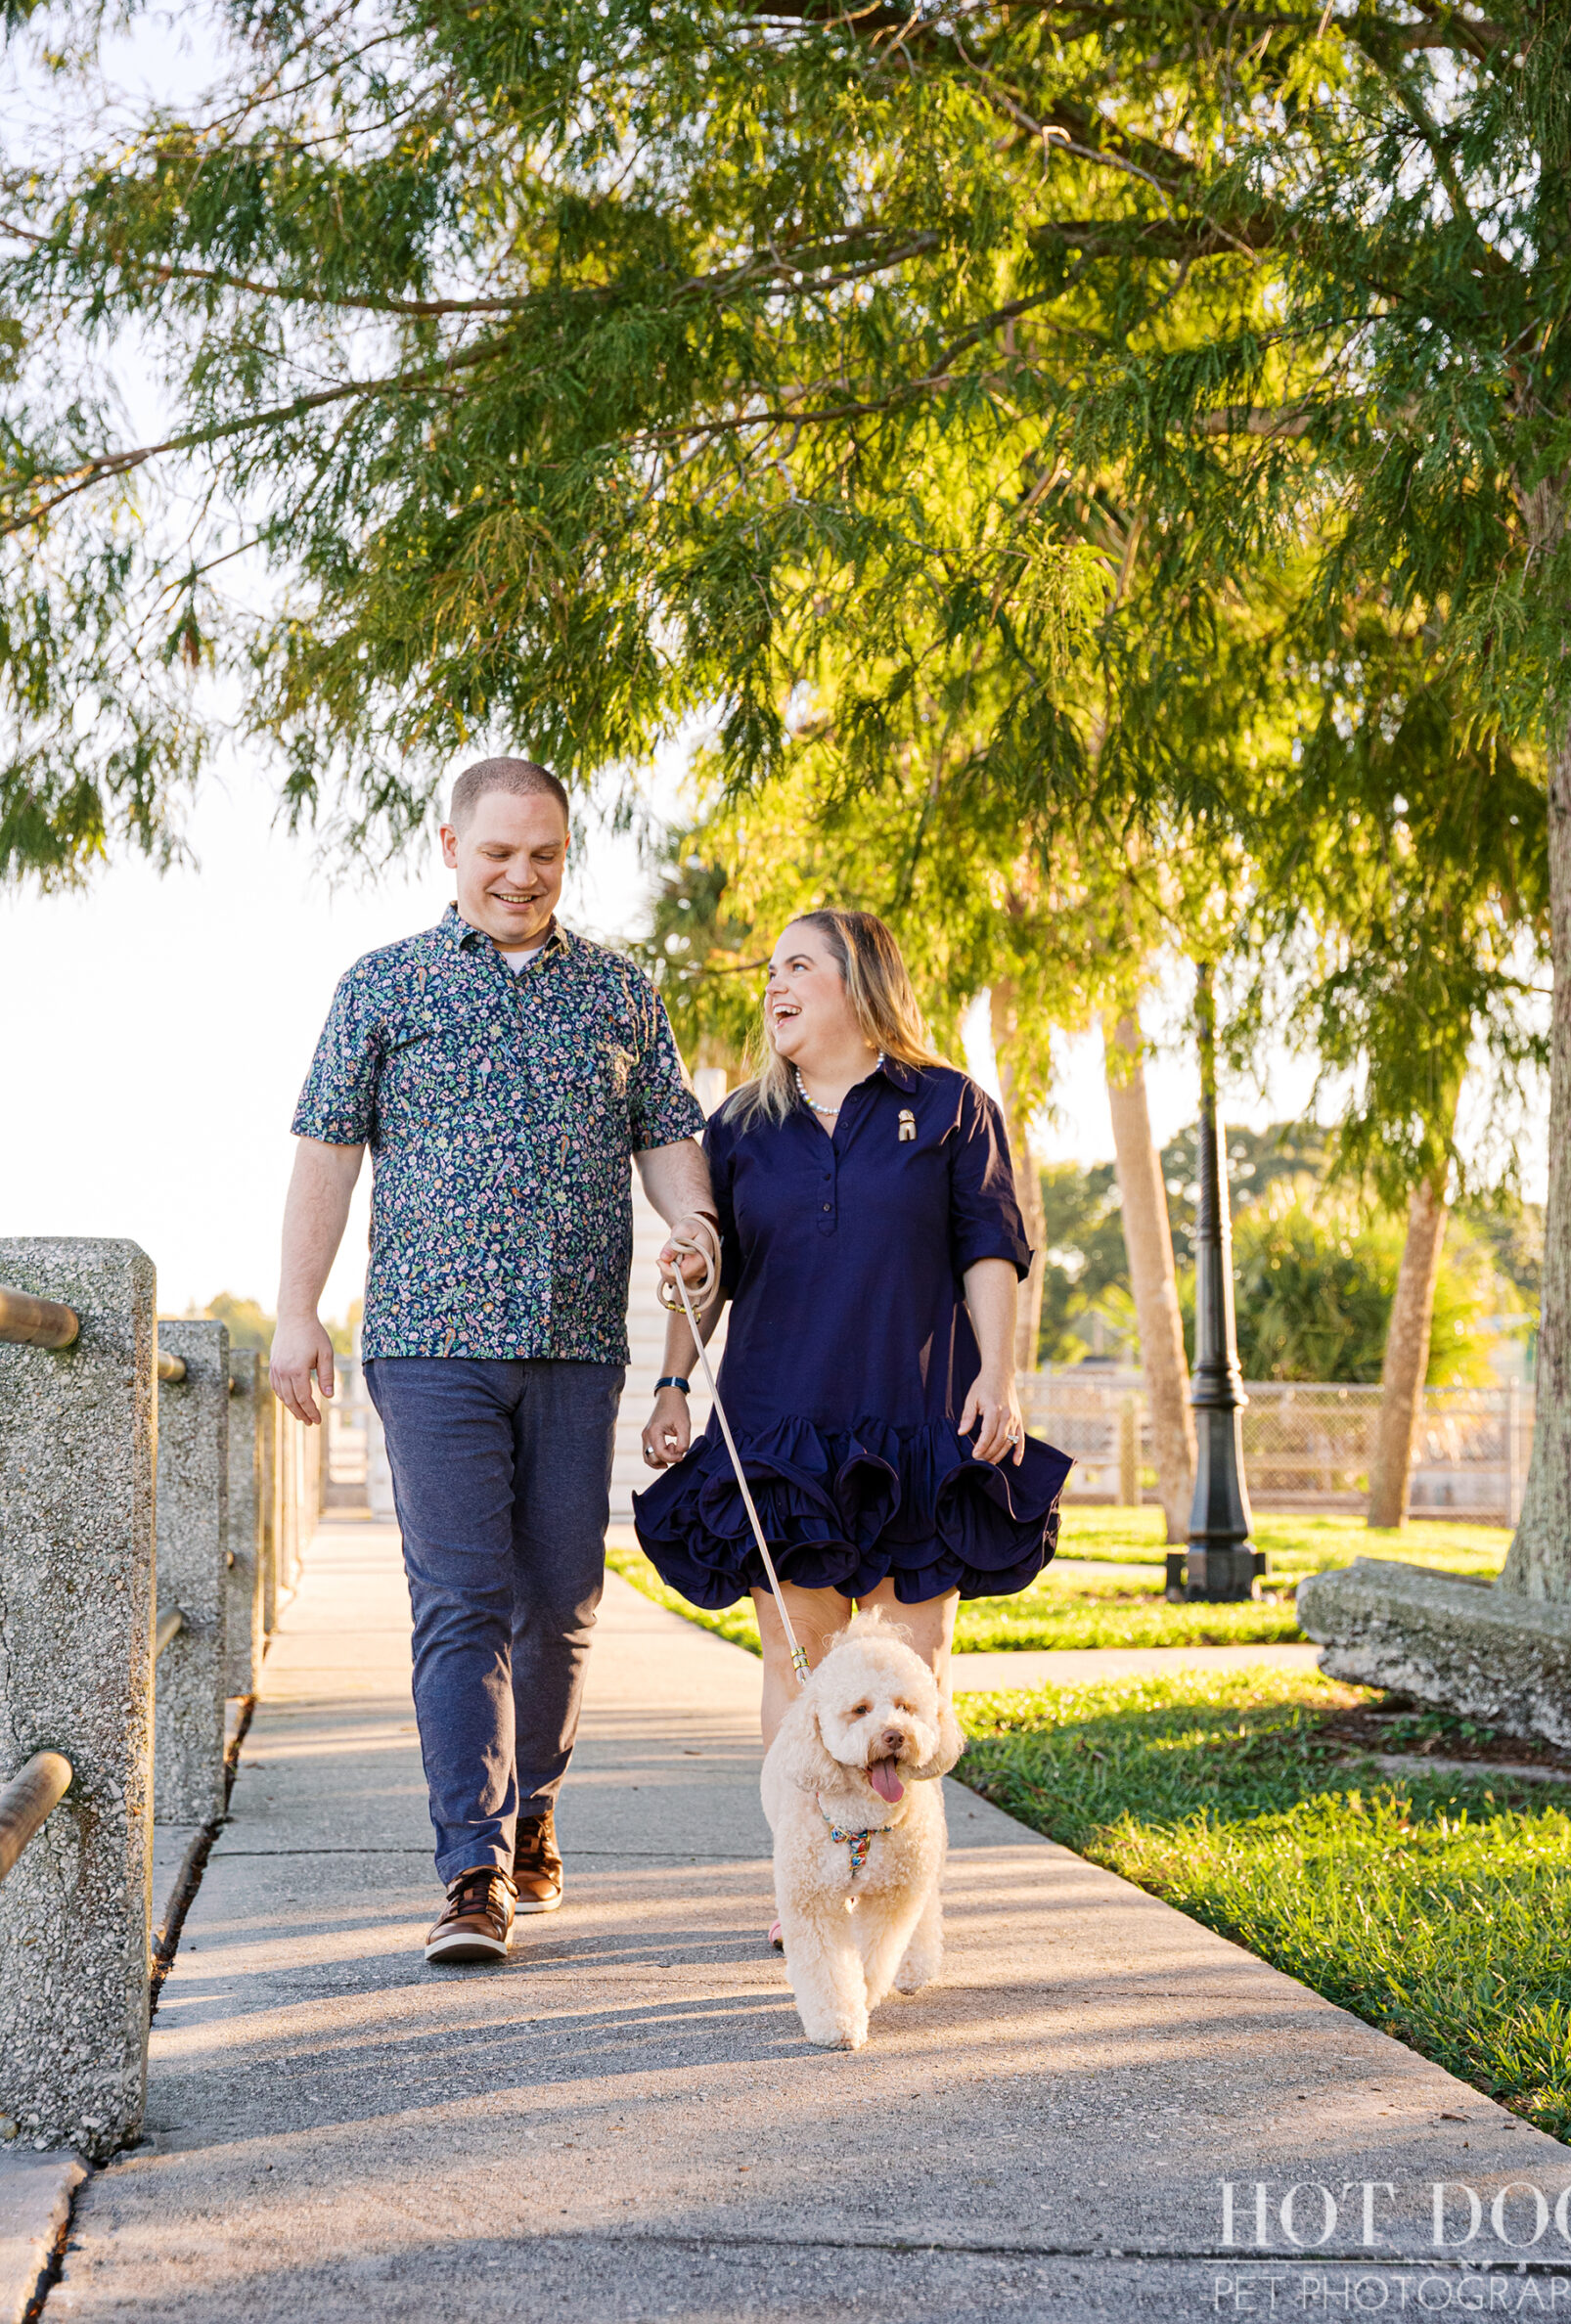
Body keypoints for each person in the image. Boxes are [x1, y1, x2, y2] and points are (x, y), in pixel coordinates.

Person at [270, 757, 714, 1966]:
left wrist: (697, 1225)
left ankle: (532, 1805)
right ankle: (470, 1867)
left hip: (577, 1343)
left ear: (567, 853)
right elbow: (325, 1153)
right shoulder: (384, 984)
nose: (522, 875)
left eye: (545, 855)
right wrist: (296, 1311)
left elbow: (672, 1141)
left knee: (563, 1599)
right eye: (499, 854)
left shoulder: (621, 993)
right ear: (453, 849)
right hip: (426, 1343)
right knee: (459, 1600)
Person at [636, 907, 1070, 1753]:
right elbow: (707, 1270)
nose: (774, 983)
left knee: (913, 1676)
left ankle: (892, 1885)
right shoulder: (738, 1126)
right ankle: (809, 1879)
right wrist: (671, 1385)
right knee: (801, 1672)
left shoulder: (951, 1106)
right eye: (771, 969)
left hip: (916, 1425)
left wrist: (997, 1377)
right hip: (777, 1434)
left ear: (859, 980)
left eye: (798, 966)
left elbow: (990, 1247)